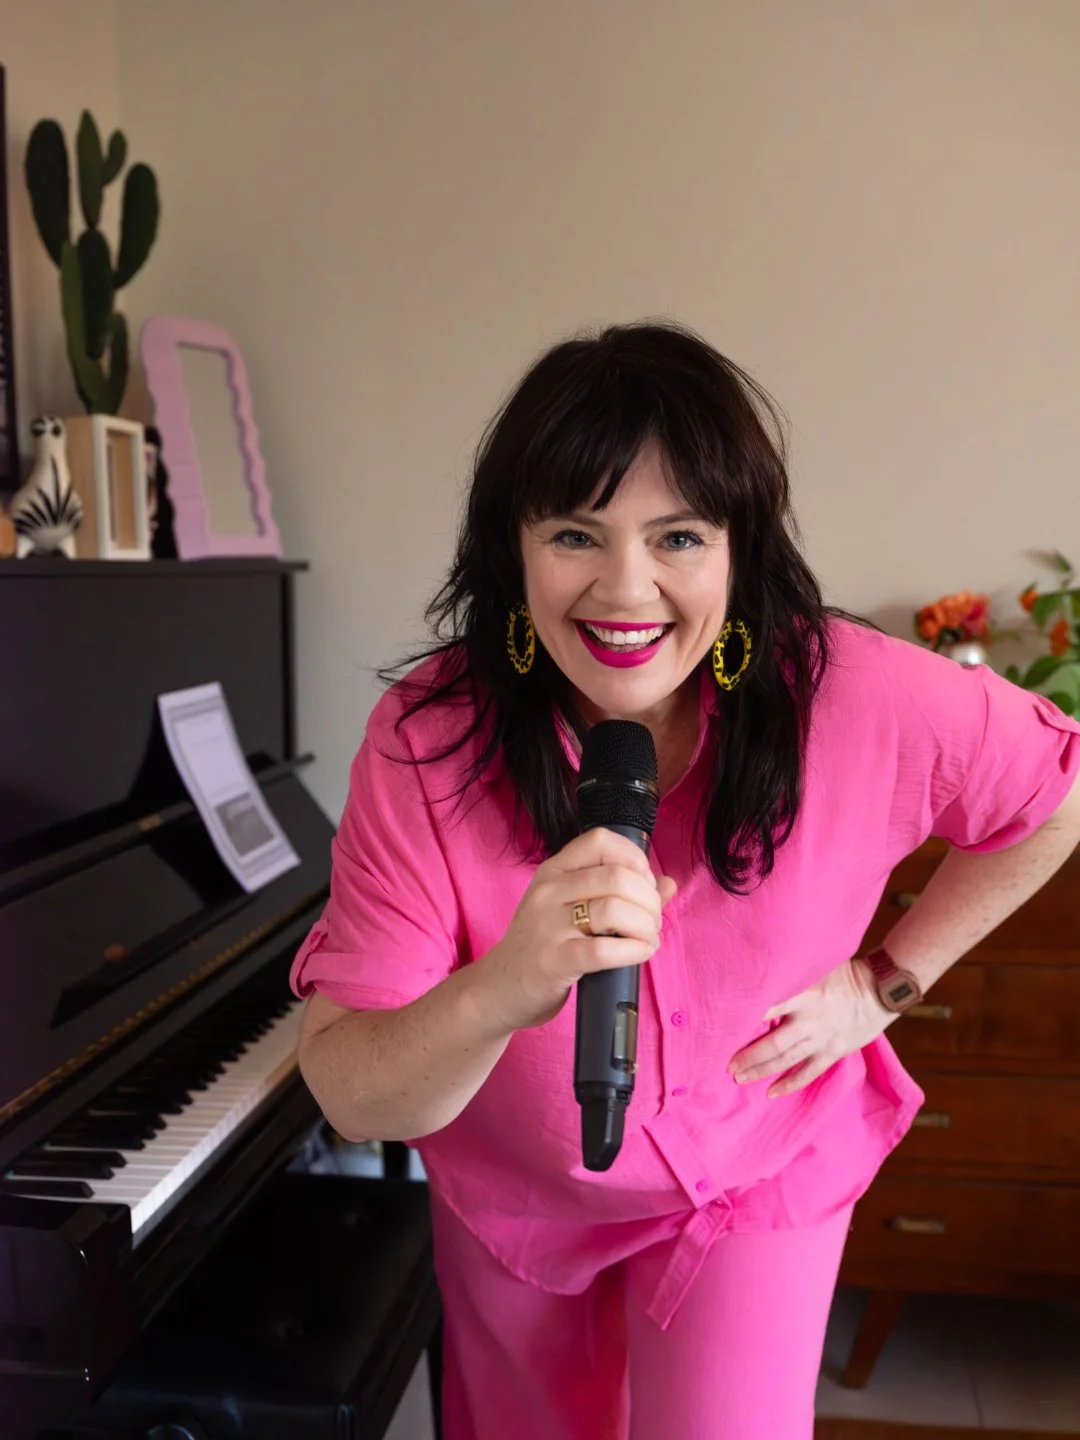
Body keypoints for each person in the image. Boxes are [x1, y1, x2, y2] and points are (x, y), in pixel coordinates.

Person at [291, 321, 1080, 1440]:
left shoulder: (853, 695)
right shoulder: (428, 739)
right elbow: (354, 1091)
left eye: (678, 535)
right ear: (510, 549)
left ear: (738, 551)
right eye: (576, 532)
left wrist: (886, 982)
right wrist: (505, 984)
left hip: (756, 1176)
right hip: (516, 1194)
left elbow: (1058, 792)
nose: (626, 589)